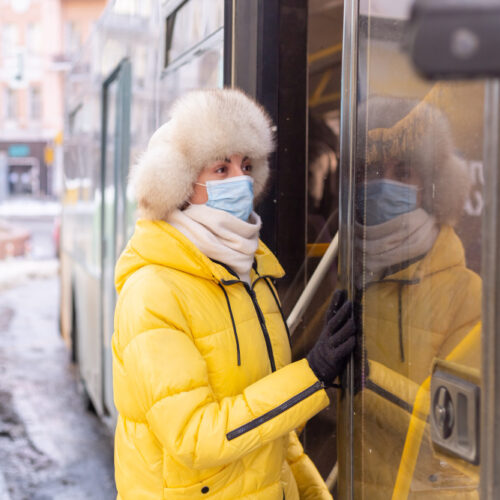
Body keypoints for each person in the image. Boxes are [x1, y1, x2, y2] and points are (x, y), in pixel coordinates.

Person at [112, 88, 356, 500]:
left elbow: (275, 432)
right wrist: (311, 375)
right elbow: (196, 436)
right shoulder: (152, 291)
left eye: (246, 165)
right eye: (220, 169)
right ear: (180, 184)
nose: (240, 179)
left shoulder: (250, 272)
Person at [353, 97, 482, 498]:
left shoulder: (468, 294)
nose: (382, 183)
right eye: (372, 170)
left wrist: (367, 379)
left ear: (431, 188)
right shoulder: (343, 276)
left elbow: (459, 432)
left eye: (402, 172)